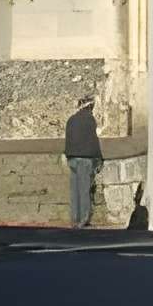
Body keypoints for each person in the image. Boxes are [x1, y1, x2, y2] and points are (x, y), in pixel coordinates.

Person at [62, 93, 103, 227]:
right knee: (85, 190)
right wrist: (99, 158)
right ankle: (84, 219)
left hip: (72, 157)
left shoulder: (71, 119)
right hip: (85, 158)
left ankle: (75, 218)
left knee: (75, 190)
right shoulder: (91, 120)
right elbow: (93, 141)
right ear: (90, 107)